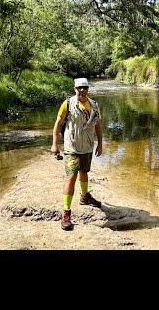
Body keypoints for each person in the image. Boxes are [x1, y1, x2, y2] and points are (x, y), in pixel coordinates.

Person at [51, 77, 103, 231]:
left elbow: (98, 125)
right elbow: (58, 124)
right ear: (75, 89)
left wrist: (100, 144)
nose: (82, 90)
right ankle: (66, 213)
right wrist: (54, 144)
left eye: (84, 88)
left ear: (88, 89)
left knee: (84, 172)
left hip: (87, 146)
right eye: (79, 88)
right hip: (71, 147)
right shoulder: (67, 104)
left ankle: (85, 196)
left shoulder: (94, 105)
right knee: (71, 177)